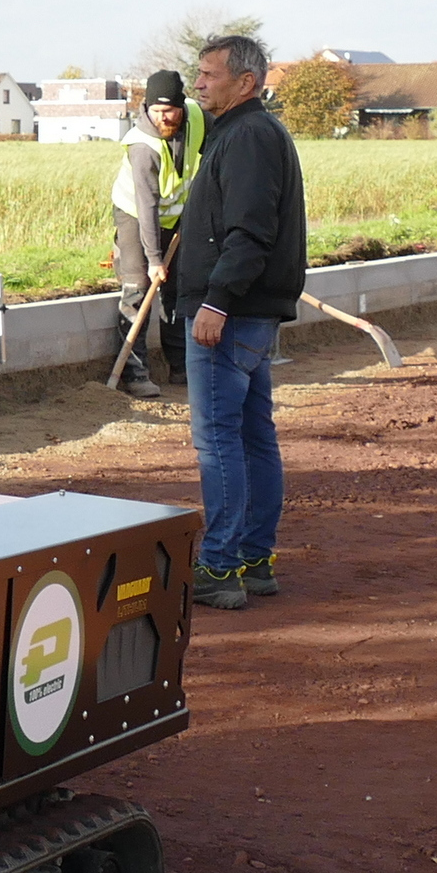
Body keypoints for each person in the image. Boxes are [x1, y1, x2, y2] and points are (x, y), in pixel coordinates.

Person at [174, 34, 306, 611]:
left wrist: (217, 301)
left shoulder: (248, 136)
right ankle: (254, 560)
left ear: (245, 82)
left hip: (231, 315)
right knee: (253, 437)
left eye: (209, 74)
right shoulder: (247, 132)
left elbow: (250, 231)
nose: (198, 83)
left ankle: (221, 564)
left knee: (219, 440)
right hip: (250, 313)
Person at [111, 70, 205, 398]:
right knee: (139, 288)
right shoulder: (143, 146)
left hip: (176, 215)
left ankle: (181, 366)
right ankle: (135, 373)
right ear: (146, 108)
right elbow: (147, 205)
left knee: (177, 288)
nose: (163, 117)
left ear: (181, 107)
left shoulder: (198, 117)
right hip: (136, 215)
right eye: (157, 111)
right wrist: (154, 260)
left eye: (170, 111)